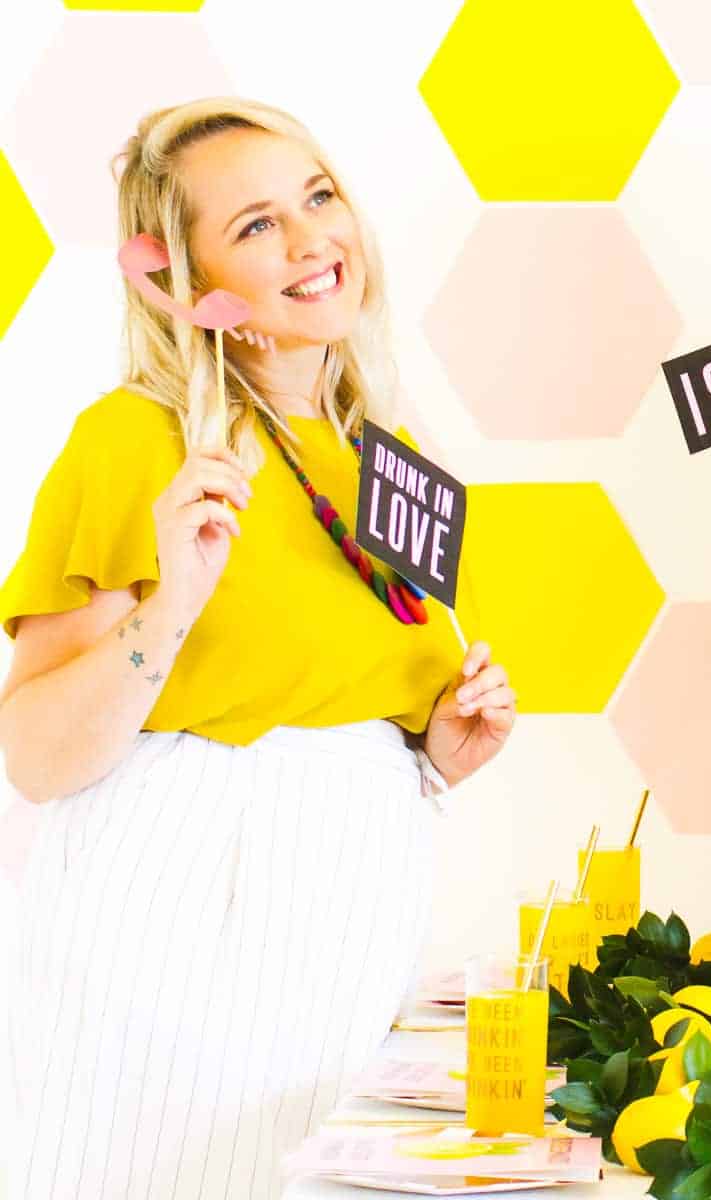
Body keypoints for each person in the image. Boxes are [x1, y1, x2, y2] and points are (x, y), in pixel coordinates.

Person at [0, 97, 516, 1200]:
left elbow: (346, 701)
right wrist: (168, 606)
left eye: (317, 197)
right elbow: (35, 757)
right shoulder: (138, 439)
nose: (311, 239)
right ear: (187, 279)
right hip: (176, 911)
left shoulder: (389, 453)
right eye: (256, 225)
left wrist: (439, 744)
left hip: (353, 916)